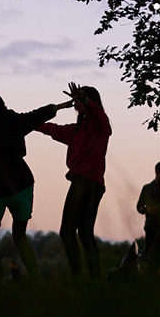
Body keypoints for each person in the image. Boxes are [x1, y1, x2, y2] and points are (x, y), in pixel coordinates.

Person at [0, 94, 70, 278]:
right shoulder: (13, 121)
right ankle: (36, 281)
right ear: (3, 107)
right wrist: (59, 106)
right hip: (21, 184)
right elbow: (35, 116)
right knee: (20, 237)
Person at [36, 82, 112, 280]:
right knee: (71, 233)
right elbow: (52, 129)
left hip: (89, 183)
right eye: (76, 99)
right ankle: (80, 278)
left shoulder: (99, 125)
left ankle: (93, 280)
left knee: (82, 232)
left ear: (90, 101)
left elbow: (101, 119)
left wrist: (86, 100)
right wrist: (29, 123)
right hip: (79, 181)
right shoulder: (76, 130)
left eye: (80, 98)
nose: (76, 102)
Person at [136, 162, 160, 261]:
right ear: (157, 171)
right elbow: (139, 206)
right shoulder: (147, 188)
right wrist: (147, 210)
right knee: (149, 253)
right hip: (150, 225)